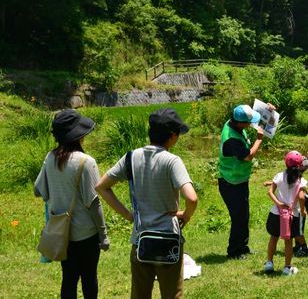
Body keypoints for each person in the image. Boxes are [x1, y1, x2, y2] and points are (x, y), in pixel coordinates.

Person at [96, 108, 198, 299]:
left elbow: (101, 187)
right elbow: (192, 198)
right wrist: (186, 215)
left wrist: (128, 215)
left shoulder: (130, 157)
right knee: (172, 295)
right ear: (173, 136)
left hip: (141, 239)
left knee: (140, 295)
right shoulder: (172, 161)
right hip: (168, 239)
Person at [34, 109, 109, 299]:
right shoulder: (86, 162)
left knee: (68, 279)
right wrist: (103, 235)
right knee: (89, 279)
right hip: (86, 234)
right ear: (78, 135)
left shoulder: (50, 158)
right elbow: (94, 203)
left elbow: (38, 190)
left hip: (62, 233)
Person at [217, 104, 270, 259]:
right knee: (238, 217)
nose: (250, 125)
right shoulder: (231, 139)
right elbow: (248, 156)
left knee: (244, 215)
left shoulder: (234, 123)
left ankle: (243, 246)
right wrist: (259, 140)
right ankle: (234, 251)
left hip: (239, 179)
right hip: (231, 182)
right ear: (240, 123)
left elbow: (253, 115)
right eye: (248, 122)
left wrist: (268, 110)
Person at [264, 151, 307, 276]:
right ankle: (287, 268)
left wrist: (279, 203)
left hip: (276, 213)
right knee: (288, 241)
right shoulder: (301, 180)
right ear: (299, 165)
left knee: (273, 237)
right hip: (291, 215)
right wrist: (302, 211)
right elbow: (302, 197)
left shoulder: (279, 176)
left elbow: (270, 192)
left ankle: (269, 263)